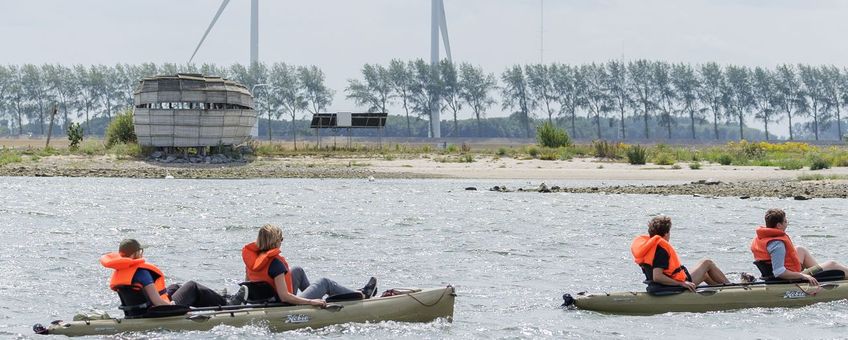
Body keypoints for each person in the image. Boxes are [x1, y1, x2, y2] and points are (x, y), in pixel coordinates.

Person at [239, 224, 377, 307]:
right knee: (325, 282)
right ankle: (362, 295)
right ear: (276, 241)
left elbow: (250, 285)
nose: (282, 242)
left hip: (267, 300)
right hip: (282, 303)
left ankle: (320, 296)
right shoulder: (275, 264)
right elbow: (285, 296)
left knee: (297, 270)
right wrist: (310, 303)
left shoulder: (253, 260)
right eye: (281, 239)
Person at [100, 239, 232, 307]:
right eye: (140, 251)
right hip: (156, 312)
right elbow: (157, 302)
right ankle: (227, 304)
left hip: (135, 312)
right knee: (192, 286)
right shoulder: (142, 273)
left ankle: (219, 298)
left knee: (175, 287)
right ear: (135, 253)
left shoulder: (120, 271)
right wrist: (171, 305)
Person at [631, 216, 732, 291]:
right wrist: (681, 283)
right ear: (666, 234)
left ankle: (722, 293)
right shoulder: (660, 250)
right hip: (672, 286)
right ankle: (733, 288)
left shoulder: (648, 247)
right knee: (707, 263)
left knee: (705, 275)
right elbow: (657, 277)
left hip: (664, 285)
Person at [751, 208, 848, 286]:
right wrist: (802, 276)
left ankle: (819, 276)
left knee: (800, 250)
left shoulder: (762, 238)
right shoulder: (777, 244)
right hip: (786, 277)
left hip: (775, 272)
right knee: (832, 264)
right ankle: (819, 276)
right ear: (779, 225)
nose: (787, 223)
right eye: (785, 221)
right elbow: (779, 272)